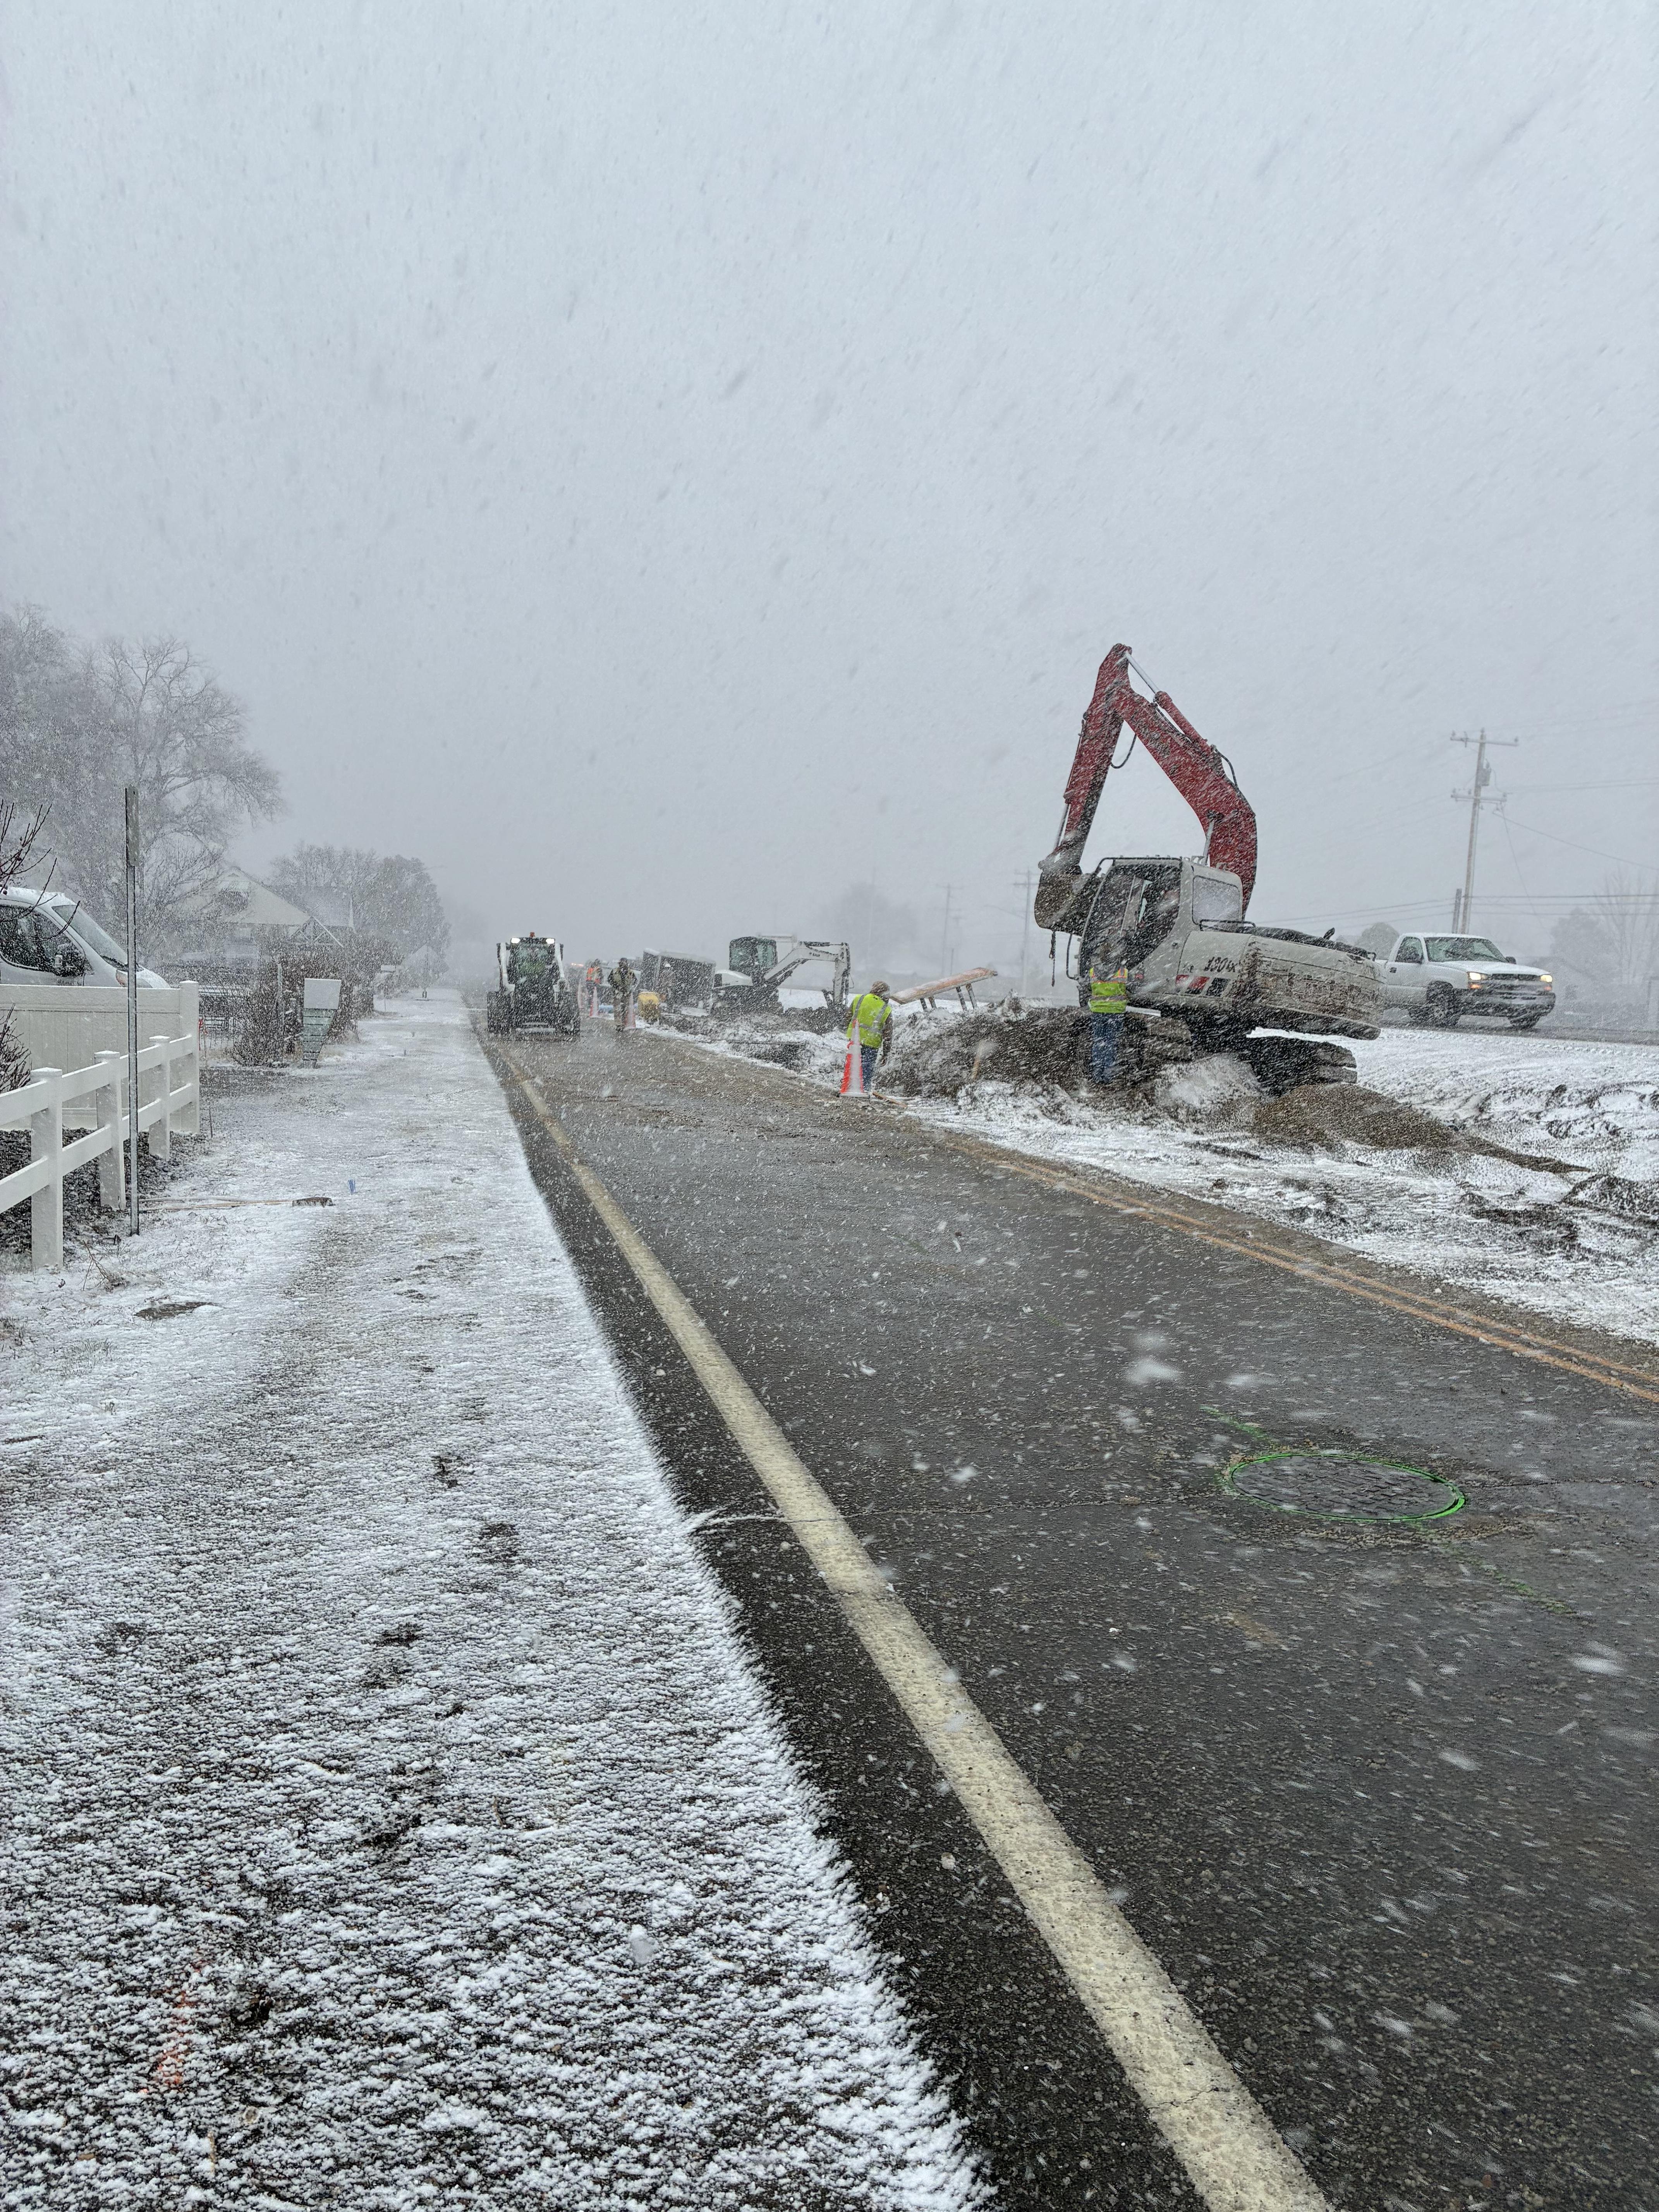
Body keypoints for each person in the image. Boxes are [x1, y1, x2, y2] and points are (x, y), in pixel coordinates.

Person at [1087, 956, 1129, 1083]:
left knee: (1098, 1041)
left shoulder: (1093, 971)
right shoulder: (1123, 972)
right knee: (1111, 1042)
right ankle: (1108, 1075)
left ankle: (1097, 1074)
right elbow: (1132, 988)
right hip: (1116, 1012)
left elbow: (1088, 988)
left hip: (1098, 1011)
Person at [846, 980, 893, 1091]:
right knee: (867, 1070)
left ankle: (849, 1087)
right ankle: (864, 1090)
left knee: (852, 1066)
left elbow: (848, 1017)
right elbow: (888, 1034)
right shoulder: (886, 1009)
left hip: (855, 1040)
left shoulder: (859, 999)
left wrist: (850, 1031)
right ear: (885, 994)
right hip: (872, 1044)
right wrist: (886, 1053)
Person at [608, 956, 637, 1035]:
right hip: (617, 993)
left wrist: (630, 988)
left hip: (626, 994)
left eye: (624, 963)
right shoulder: (615, 971)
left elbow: (635, 981)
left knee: (624, 1009)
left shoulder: (630, 972)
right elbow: (610, 980)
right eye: (622, 963)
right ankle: (618, 1025)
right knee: (617, 1009)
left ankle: (623, 1023)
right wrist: (616, 986)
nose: (623, 964)